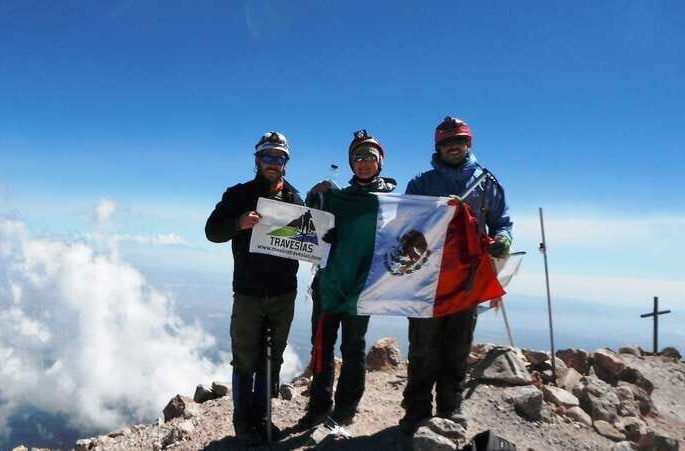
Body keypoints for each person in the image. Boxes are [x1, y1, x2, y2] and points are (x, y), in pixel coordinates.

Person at [398, 117, 513, 446]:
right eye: (447, 142)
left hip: (467, 279)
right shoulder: (422, 183)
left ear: (468, 144)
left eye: (459, 141)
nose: (453, 146)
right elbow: (403, 221)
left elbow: (502, 222)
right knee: (423, 347)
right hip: (426, 281)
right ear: (438, 147)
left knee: (458, 346)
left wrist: (503, 238)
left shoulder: (486, 183)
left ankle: (451, 407)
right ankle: (416, 410)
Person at [204, 131, 304, 445]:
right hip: (247, 293)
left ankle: (263, 421)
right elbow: (211, 232)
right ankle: (243, 426)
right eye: (268, 156)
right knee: (245, 359)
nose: (274, 162)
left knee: (272, 360)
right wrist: (238, 224)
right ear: (257, 159)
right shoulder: (237, 195)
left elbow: (308, 240)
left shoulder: (294, 199)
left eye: (280, 157)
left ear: (286, 162)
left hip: (283, 293)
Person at [297, 130, 397, 429]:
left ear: (380, 162)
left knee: (353, 348)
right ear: (351, 163)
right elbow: (306, 225)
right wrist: (313, 195)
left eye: (370, 157)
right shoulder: (335, 196)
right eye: (358, 157)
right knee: (322, 347)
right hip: (329, 283)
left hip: (363, 287)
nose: (364, 163)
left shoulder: (392, 202)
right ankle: (318, 405)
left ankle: (346, 408)